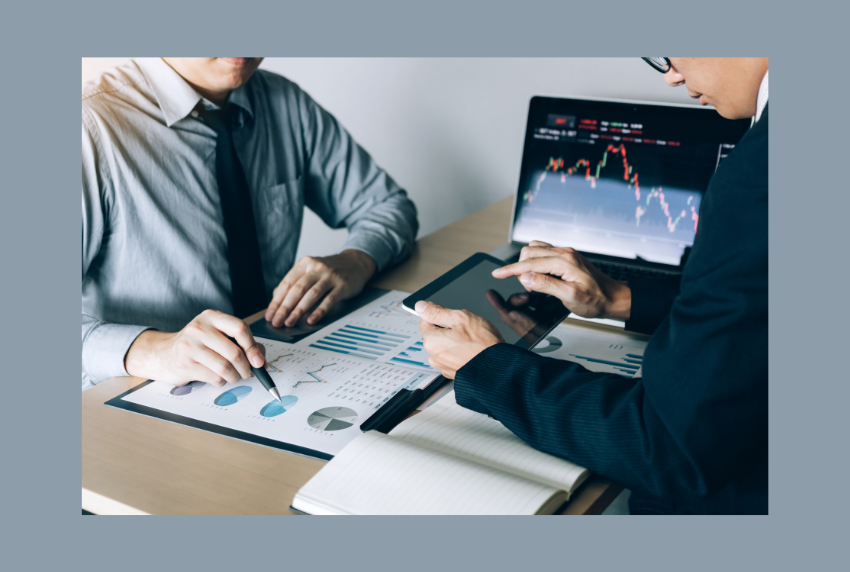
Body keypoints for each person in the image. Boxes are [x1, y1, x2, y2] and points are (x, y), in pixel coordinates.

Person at [417, 58, 768, 514]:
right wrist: (622, 298)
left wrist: (489, 367)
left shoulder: (759, 173)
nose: (671, 76)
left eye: (671, 50)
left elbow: (669, 450)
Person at [82, 58, 418, 390]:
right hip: (138, 397)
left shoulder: (285, 103)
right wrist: (156, 351)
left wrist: (357, 260)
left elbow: (388, 205)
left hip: (282, 365)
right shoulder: (89, 126)